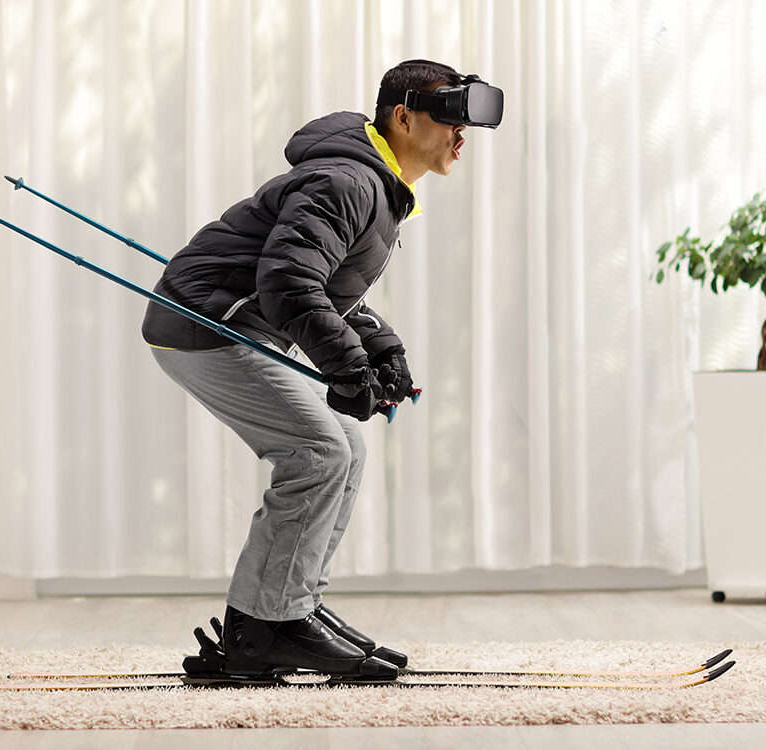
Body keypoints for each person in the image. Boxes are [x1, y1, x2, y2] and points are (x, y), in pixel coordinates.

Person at [141, 59, 501, 680]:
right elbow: (287, 282)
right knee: (319, 452)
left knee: (344, 449)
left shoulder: (376, 185)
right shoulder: (349, 182)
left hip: (229, 321)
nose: (460, 135)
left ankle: (288, 605)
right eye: (449, 117)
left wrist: (380, 348)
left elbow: (330, 287)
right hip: (205, 324)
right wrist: (347, 365)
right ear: (403, 117)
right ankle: (264, 629)